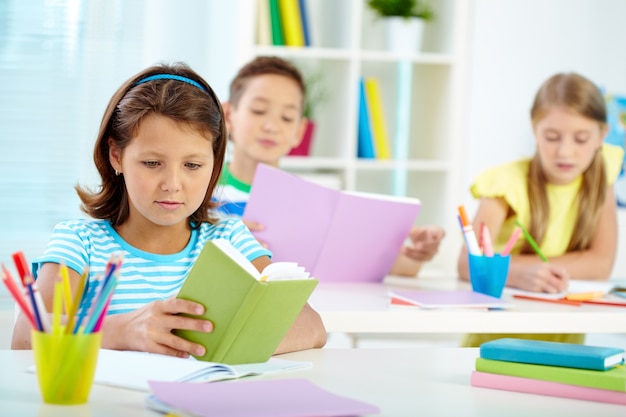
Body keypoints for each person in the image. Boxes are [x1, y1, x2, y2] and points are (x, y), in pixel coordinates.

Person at [11, 63, 327, 356]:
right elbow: (26, 336)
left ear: (214, 164)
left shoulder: (230, 240)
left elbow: (312, 326)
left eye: (192, 165)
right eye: (152, 163)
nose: (172, 183)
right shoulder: (80, 242)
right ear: (117, 156)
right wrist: (122, 331)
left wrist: (228, 344)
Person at [214, 55, 445, 277]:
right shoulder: (202, 189)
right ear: (228, 115)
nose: (271, 126)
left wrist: (417, 252)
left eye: (286, 117)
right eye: (258, 111)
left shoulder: (310, 203)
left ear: (299, 132)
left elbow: (397, 267)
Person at [457, 72, 624, 347]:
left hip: (565, 349)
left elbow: (600, 265)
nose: (565, 152)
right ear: (535, 130)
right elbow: (468, 263)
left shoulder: (603, 168)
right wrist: (519, 273)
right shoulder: (505, 183)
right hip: (494, 345)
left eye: (581, 139)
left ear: (601, 136)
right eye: (551, 137)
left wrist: (517, 267)